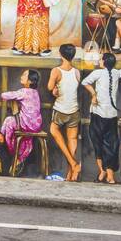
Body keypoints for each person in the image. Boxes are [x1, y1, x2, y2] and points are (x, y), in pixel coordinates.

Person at [82, 51, 121, 183]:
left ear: (103, 62)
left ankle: (104, 173)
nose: (99, 61)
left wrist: (94, 94)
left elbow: (85, 82)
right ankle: (108, 175)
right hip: (111, 115)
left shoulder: (98, 73)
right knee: (111, 145)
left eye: (101, 60)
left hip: (98, 115)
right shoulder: (116, 72)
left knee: (98, 143)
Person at [0, 69, 43, 171]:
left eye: (24, 75)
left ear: (30, 81)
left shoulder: (23, 92)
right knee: (26, 139)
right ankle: (20, 159)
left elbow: (4, 95)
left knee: (8, 120)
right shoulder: (36, 93)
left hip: (26, 124)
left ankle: (3, 137)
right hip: (36, 126)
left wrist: (13, 98)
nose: (21, 76)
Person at [46, 43, 82, 181]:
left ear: (61, 54)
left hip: (61, 109)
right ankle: (70, 174)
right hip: (74, 110)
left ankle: (73, 163)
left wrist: (55, 89)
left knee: (54, 130)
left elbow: (50, 87)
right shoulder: (77, 72)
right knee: (72, 139)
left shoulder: (56, 71)